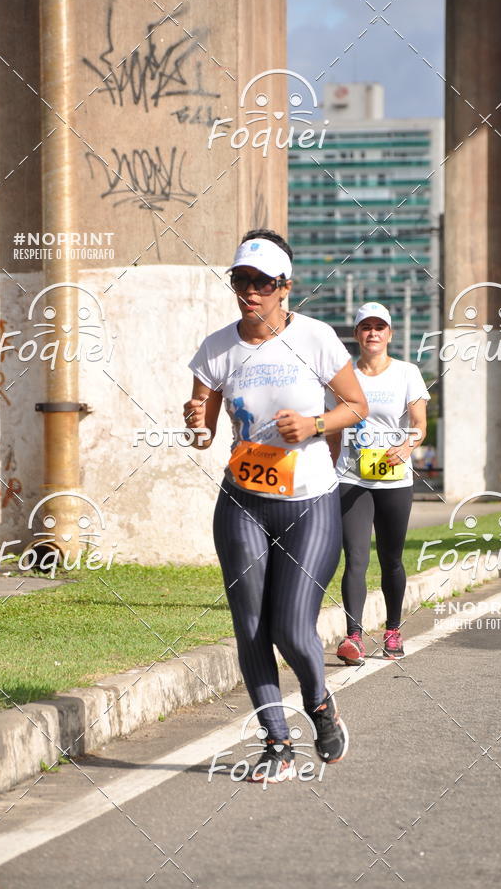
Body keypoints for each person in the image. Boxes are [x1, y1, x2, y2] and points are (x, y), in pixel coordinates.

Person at [184, 229, 368, 783]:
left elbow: (355, 406)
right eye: (241, 281)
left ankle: (318, 704)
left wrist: (315, 423)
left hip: (309, 503)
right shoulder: (216, 348)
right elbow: (203, 428)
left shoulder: (315, 339)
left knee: (291, 628)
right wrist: (194, 421)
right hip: (242, 502)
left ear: (285, 287)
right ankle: (277, 743)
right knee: (250, 627)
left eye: (262, 283)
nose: (250, 293)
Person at [327, 302, 429, 664]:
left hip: (394, 479)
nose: (373, 333)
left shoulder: (406, 372)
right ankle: (353, 637)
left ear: (390, 334)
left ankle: (393, 630)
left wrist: (405, 447)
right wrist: (328, 464)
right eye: (366, 327)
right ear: (357, 334)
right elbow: (334, 426)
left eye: (379, 327)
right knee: (354, 558)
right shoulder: (343, 375)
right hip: (350, 478)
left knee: (391, 559)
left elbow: (419, 422)